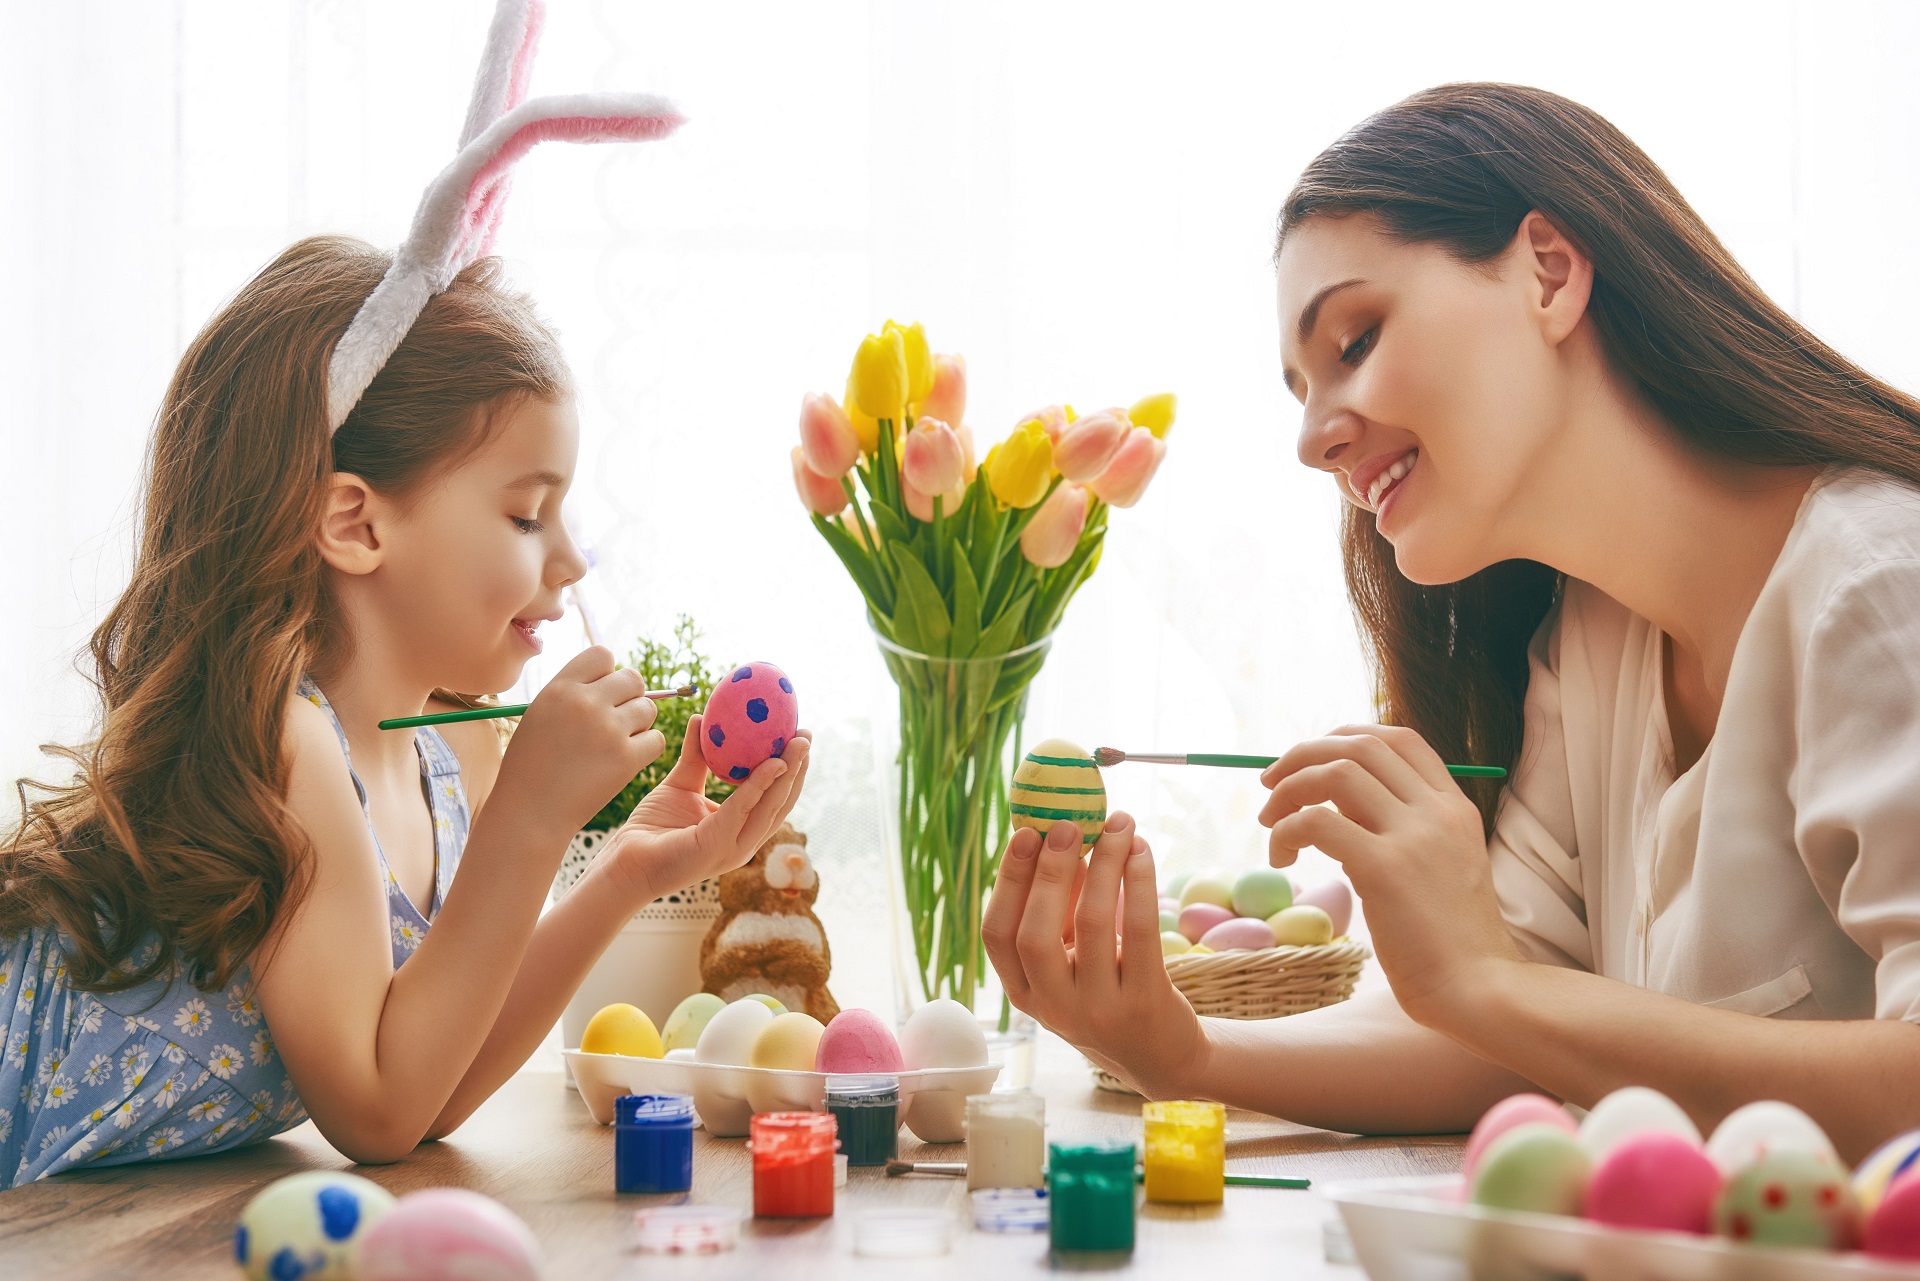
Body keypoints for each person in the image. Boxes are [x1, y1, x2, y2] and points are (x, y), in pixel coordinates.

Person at [983, 82, 1920, 1163]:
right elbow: (1510, 1031)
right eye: (1300, 389)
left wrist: (1484, 982)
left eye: (1354, 340)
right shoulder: (1593, 641)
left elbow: (1500, 996)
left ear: (1548, 273)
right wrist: (1185, 1053)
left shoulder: (1878, 590)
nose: (1312, 441)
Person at [0, 237, 809, 1186]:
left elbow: (431, 1084)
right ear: (355, 523)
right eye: (525, 515)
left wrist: (627, 870)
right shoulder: (291, 743)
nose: (569, 561)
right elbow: (376, 1113)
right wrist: (534, 815)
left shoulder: (449, 760)